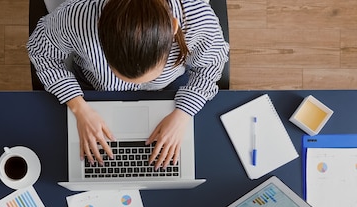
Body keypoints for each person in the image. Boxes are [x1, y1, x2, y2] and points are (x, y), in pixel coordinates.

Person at [28, 0, 229, 169]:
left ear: (173, 28)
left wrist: (183, 113)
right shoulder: (75, 19)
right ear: (101, 36)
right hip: (94, 87)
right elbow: (41, 52)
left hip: (169, 87)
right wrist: (79, 108)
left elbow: (209, 66)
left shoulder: (197, 20)